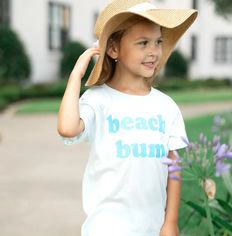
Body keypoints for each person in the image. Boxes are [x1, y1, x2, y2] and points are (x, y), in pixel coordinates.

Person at [57, 0, 197, 235]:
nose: (153, 51)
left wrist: (170, 221)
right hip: (106, 227)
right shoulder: (98, 100)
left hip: (151, 227)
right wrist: (76, 74)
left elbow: (175, 166)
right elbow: (67, 128)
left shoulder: (166, 106)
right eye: (143, 43)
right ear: (113, 49)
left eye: (158, 42)